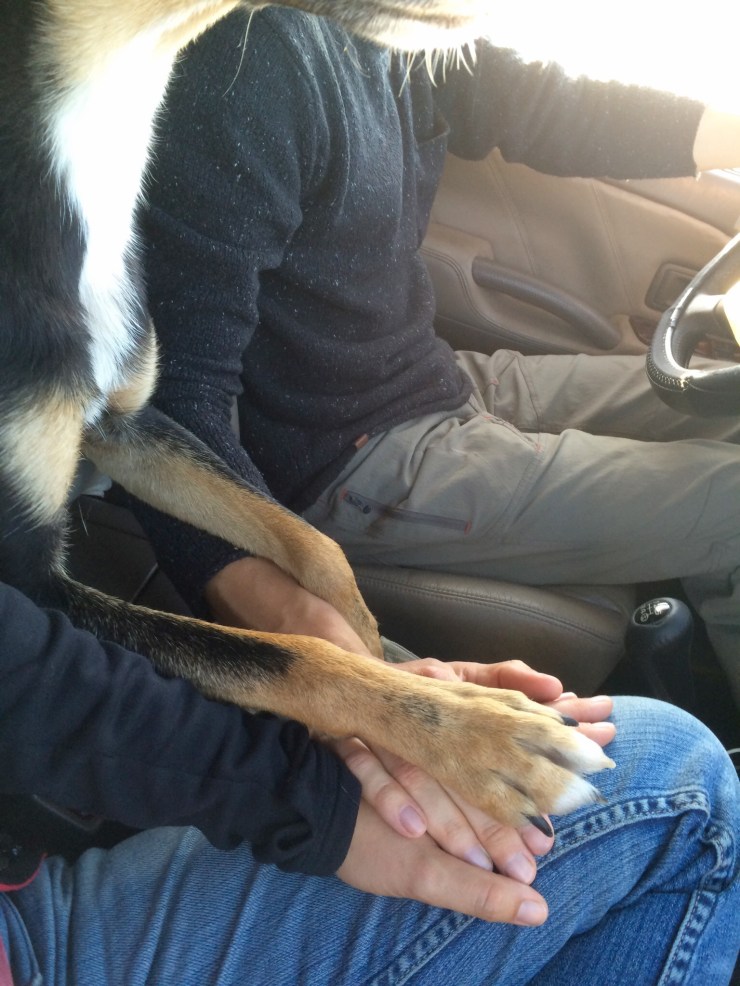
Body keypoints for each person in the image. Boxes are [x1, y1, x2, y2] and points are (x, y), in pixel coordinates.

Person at [139, 7, 740, 705]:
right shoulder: (246, 65)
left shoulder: (408, 28)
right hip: (346, 462)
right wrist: (283, 607)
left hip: (433, 379)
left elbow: (546, 104)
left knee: (725, 398)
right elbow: (170, 397)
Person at [0, 579, 738, 983]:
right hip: (36, 953)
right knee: (681, 786)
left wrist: (370, 686)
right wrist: (303, 786)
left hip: (30, 899)